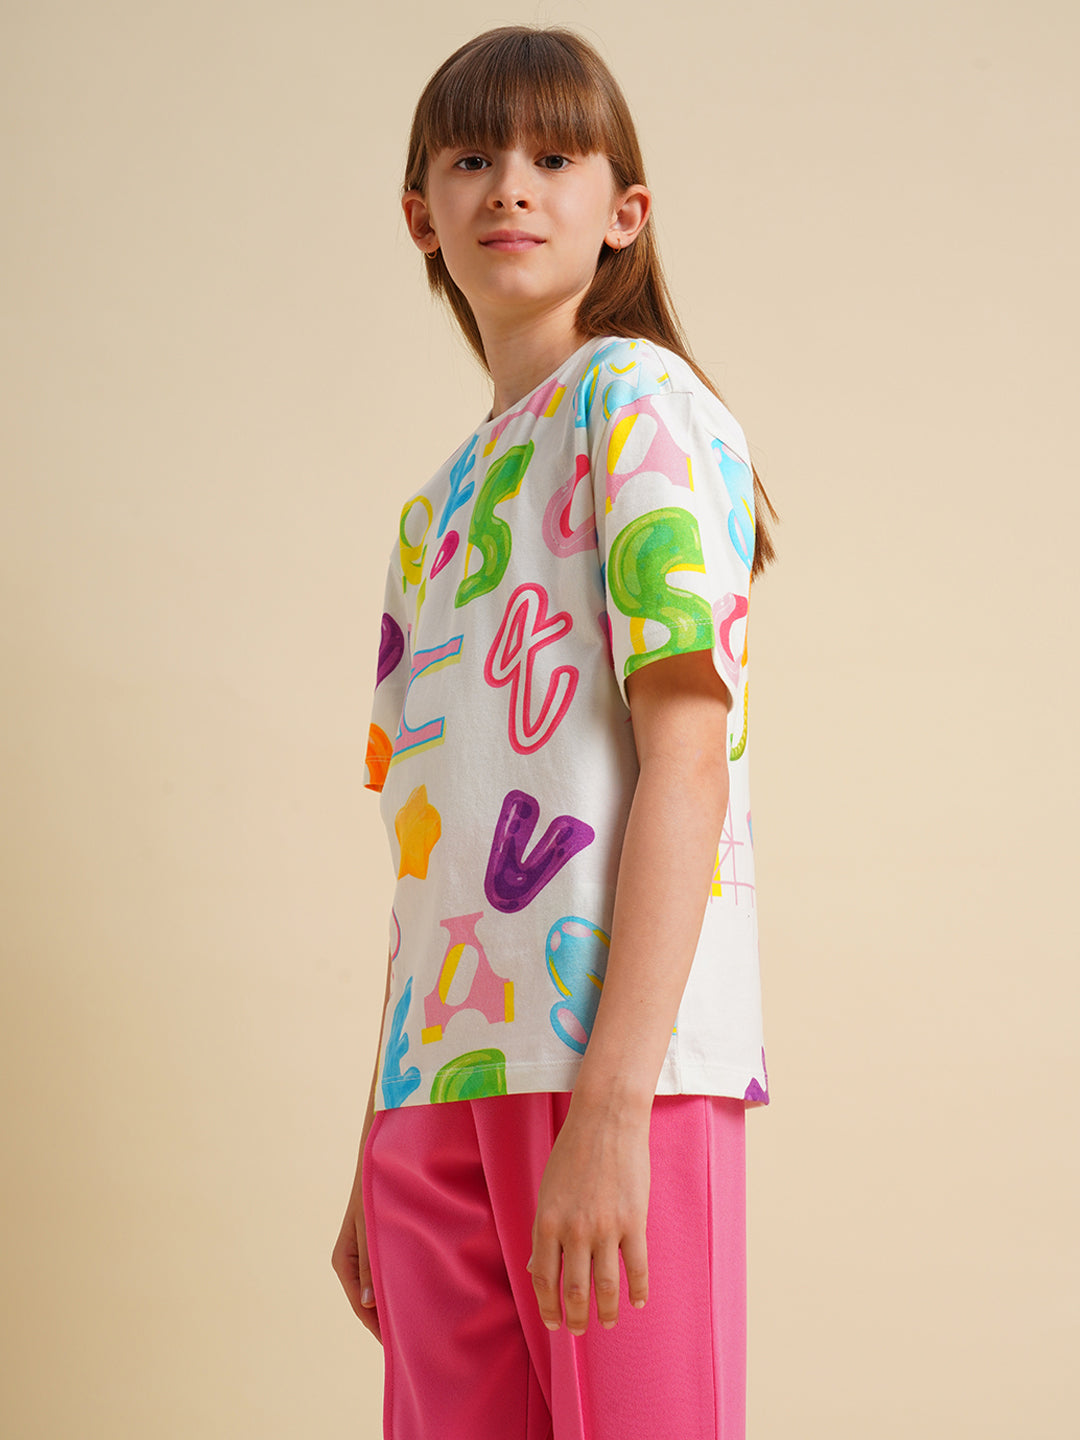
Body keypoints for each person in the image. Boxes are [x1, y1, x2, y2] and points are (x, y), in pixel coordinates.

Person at [332, 23, 780, 1440]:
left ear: (623, 213)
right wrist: (378, 1130)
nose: (512, 186)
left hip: (610, 1061)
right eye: (472, 159)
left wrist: (613, 1107)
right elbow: (431, 853)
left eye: (554, 157)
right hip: (439, 1081)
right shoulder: (432, 513)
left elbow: (687, 761)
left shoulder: (639, 407)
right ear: (423, 216)